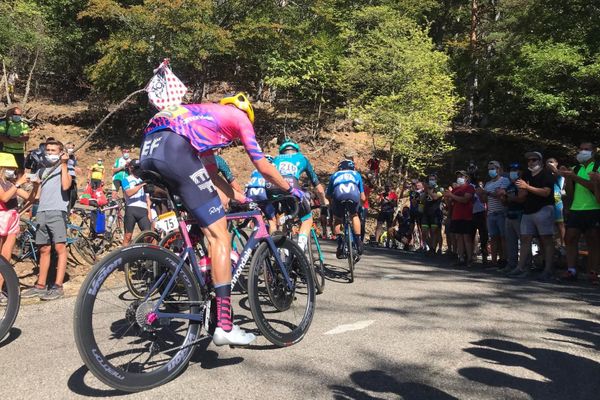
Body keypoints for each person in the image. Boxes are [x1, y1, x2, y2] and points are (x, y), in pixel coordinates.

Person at [140, 93, 304, 346]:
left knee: (206, 219)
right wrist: (290, 189)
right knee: (221, 237)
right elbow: (263, 167)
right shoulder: (239, 118)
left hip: (150, 148)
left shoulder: (204, 119)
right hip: (174, 149)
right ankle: (225, 326)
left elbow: (210, 175)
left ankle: (198, 274)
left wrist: (238, 196)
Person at [21, 140, 75, 300]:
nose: (50, 153)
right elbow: (36, 197)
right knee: (43, 249)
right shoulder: (42, 170)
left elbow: (66, 186)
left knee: (60, 247)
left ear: (60, 152)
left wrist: (64, 164)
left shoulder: (67, 167)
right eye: (48, 150)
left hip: (57, 211)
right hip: (42, 211)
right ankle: (40, 285)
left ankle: (58, 286)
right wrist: (35, 185)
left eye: (53, 150)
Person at [271, 139, 328, 251]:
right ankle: (300, 250)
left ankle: (282, 252)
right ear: (296, 150)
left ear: (281, 151)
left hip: (273, 188)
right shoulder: (302, 158)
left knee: (283, 218)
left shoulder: (276, 159)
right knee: (307, 219)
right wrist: (324, 201)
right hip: (291, 186)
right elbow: (318, 186)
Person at [508, 151, 555, 280]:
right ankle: (521, 267)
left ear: (540, 161)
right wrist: (515, 194)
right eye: (529, 160)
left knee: (546, 239)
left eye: (534, 159)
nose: (531, 162)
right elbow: (522, 194)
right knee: (525, 239)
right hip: (528, 210)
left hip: (544, 209)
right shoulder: (527, 174)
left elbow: (546, 192)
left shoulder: (546, 174)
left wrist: (527, 187)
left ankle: (548, 269)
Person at [560, 142, 600, 283]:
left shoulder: (597, 167)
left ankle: (593, 272)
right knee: (570, 238)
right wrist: (568, 177)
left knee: (593, 240)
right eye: (581, 149)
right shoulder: (575, 168)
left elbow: (593, 186)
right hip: (576, 209)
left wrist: (574, 177)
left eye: (586, 149)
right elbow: (570, 193)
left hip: (594, 208)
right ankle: (571, 270)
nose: (582, 151)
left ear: (593, 152)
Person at [0, 153, 30, 305]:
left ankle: (0, 289)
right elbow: (4, 198)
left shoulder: (11, 184)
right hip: (0, 219)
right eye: (8, 168)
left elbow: (31, 198)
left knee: (5, 257)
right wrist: (18, 183)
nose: (11, 171)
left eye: (13, 168)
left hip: (11, 220)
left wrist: (36, 185)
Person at [326, 160, 366, 258]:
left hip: (339, 196)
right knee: (354, 215)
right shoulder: (356, 174)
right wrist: (360, 206)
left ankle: (340, 243)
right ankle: (358, 241)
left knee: (338, 219)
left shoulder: (334, 175)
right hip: (353, 195)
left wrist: (331, 205)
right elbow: (363, 197)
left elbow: (328, 195)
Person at [479, 161, 510, 267]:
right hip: (491, 213)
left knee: (503, 237)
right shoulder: (488, 184)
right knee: (493, 238)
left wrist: (487, 192)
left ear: (498, 169)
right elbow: (484, 200)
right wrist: (481, 194)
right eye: (489, 169)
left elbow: (500, 194)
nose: (490, 171)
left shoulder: (504, 180)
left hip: (501, 212)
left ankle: (504, 259)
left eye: (492, 168)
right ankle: (493, 261)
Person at [499, 163, 526, 274]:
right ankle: (511, 264)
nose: (513, 172)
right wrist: (502, 197)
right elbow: (505, 203)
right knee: (511, 242)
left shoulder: (522, 184)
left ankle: (525, 266)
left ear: (520, 171)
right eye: (511, 170)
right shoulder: (510, 185)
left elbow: (521, 199)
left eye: (515, 170)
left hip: (520, 214)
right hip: (509, 214)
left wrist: (507, 196)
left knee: (524, 241)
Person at [444, 171, 475, 266]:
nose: (459, 177)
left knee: (466, 237)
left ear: (466, 178)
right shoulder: (455, 189)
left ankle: (469, 258)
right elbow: (450, 204)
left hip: (466, 216)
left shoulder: (469, 187)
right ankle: (460, 258)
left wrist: (452, 196)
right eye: (458, 176)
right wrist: (447, 197)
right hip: (456, 216)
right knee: (458, 237)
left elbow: (465, 200)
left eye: (461, 176)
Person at [121, 159, 152, 246]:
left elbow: (147, 199)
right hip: (131, 208)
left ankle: (145, 256)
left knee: (148, 236)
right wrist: (141, 185)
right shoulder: (126, 179)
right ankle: (123, 257)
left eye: (140, 168)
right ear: (131, 168)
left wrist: (149, 213)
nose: (139, 170)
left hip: (143, 210)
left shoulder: (143, 180)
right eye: (137, 168)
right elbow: (128, 193)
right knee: (128, 236)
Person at [546, 158, 566, 248]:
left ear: (556, 163)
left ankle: (563, 243)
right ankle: (553, 244)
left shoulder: (559, 174)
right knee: (549, 225)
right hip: (547, 203)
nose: (549, 164)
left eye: (551, 162)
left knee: (560, 224)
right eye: (548, 162)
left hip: (557, 202)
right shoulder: (545, 174)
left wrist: (553, 169)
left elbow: (561, 175)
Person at [421, 174, 443, 255]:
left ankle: (433, 249)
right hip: (426, 213)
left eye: (433, 179)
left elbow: (435, 197)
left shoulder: (440, 189)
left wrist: (428, 190)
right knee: (424, 231)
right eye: (430, 179)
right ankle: (429, 247)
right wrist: (425, 191)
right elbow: (422, 200)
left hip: (435, 213)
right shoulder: (426, 189)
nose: (431, 180)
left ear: (436, 180)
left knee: (434, 232)